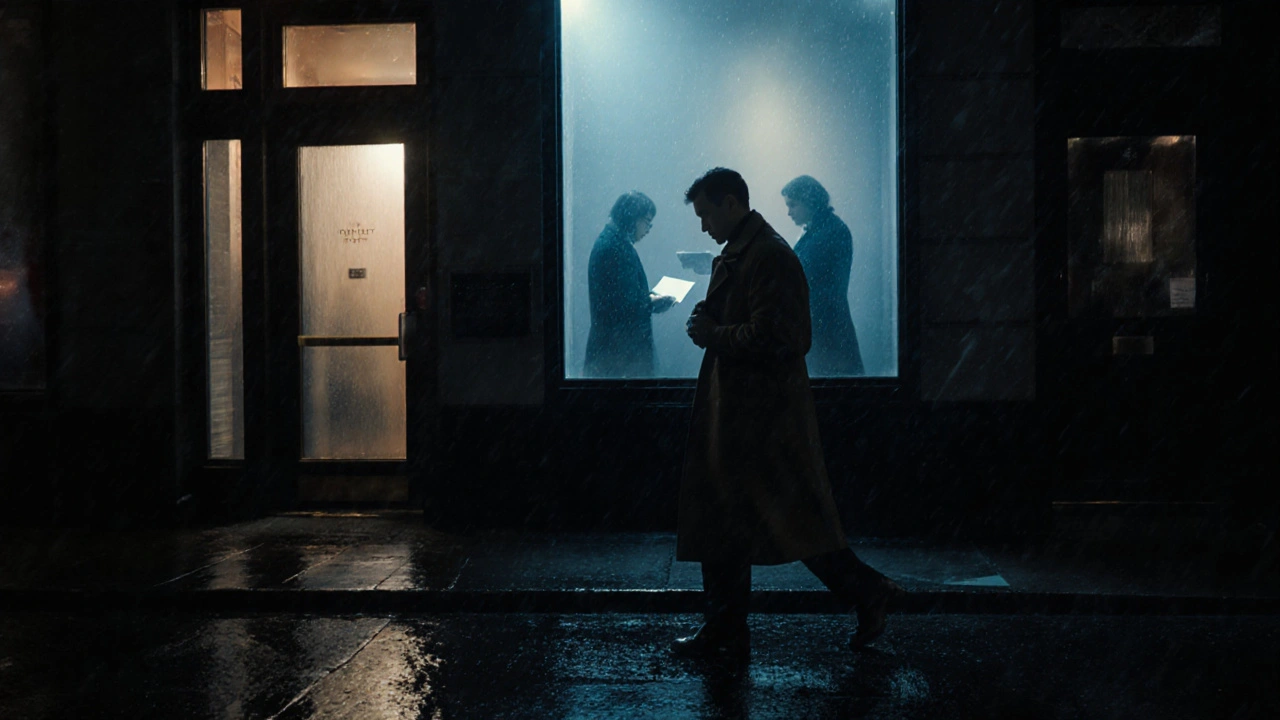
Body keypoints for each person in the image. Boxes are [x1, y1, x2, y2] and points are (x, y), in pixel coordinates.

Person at [674, 168, 905, 661]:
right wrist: (711, 321)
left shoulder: (768, 256)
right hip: (746, 413)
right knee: (760, 521)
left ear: (732, 203)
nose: (704, 226)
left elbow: (783, 337)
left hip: (757, 417)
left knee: (783, 520)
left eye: (707, 214)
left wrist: (712, 333)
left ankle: (862, 592)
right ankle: (728, 626)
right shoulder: (752, 252)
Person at [584, 191, 676, 378]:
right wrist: (652, 302)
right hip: (619, 356)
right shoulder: (614, 248)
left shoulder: (612, 243)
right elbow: (622, 306)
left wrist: (648, 300)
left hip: (613, 354)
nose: (649, 228)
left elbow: (620, 298)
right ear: (632, 217)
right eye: (647, 221)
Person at [781, 175, 864, 376]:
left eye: (793, 205)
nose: (789, 212)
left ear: (809, 201)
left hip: (825, 328)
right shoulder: (825, 229)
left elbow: (803, 274)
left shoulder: (829, 232)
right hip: (823, 326)